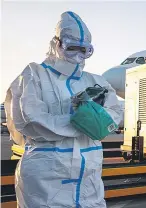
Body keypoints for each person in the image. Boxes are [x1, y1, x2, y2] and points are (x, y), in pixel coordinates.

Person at [5, 11, 122, 208]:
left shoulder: (96, 81)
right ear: (57, 44)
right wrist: (85, 121)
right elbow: (30, 120)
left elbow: (114, 115)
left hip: (88, 179)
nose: (78, 56)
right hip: (46, 180)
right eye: (72, 48)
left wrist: (93, 121)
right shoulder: (34, 75)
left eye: (85, 50)